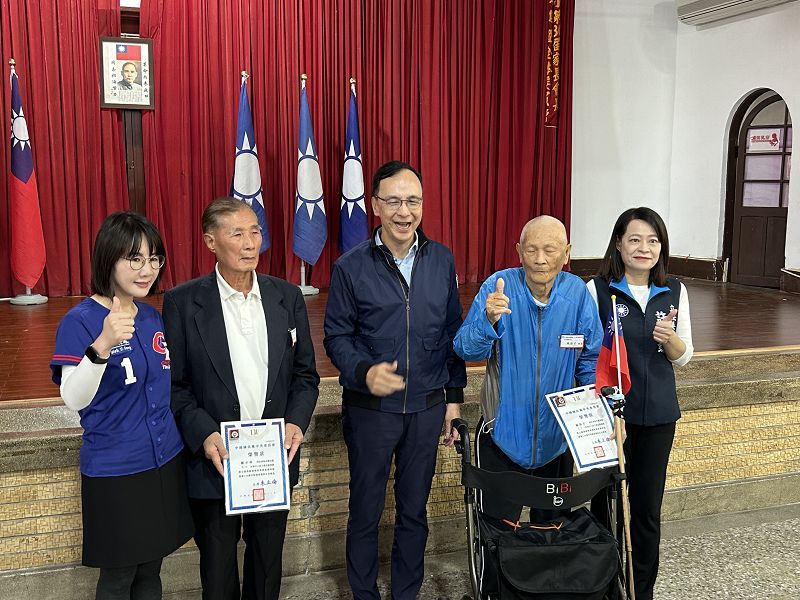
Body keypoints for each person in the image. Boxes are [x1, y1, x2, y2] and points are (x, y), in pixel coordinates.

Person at [163, 197, 319, 600]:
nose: (250, 243)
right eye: (237, 234)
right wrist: (204, 434)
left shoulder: (287, 296)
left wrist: (296, 422)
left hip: (271, 459)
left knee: (267, 569)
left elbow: (305, 375)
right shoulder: (183, 302)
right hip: (217, 460)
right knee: (217, 572)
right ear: (210, 241)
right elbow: (175, 386)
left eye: (255, 232)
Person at [324, 160, 467, 600]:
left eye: (413, 201)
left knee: (414, 511)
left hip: (426, 407)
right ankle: (363, 593)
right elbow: (336, 336)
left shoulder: (441, 259)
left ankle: (407, 592)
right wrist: (364, 372)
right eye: (394, 201)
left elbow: (452, 331)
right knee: (365, 512)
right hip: (371, 410)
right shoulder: (350, 266)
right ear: (375, 205)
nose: (405, 212)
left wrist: (454, 398)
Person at [454, 215, 602, 599]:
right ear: (518, 251)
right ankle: (494, 591)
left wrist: (592, 413)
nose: (540, 259)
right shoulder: (498, 287)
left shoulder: (577, 295)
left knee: (552, 534)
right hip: (502, 437)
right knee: (496, 534)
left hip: (556, 440)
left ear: (566, 254)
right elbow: (465, 348)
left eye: (550, 250)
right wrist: (487, 320)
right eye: (531, 249)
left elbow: (590, 358)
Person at [50, 212, 193, 600]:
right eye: (134, 259)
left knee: (151, 570)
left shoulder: (150, 316)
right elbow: (73, 398)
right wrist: (103, 345)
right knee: (118, 578)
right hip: (116, 470)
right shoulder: (80, 321)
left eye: (154, 259)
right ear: (108, 259)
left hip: (163, 461)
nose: (147, 270)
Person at [587, 207, 693, 600]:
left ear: (661, 247)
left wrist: (671, 340)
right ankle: (604, 588)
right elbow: (588, 354)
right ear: (619, 244)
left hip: (658, 417)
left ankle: (640, 590)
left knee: (647, 511)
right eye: (634, 239)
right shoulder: (598, 290)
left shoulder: (675, 290)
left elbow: (684, 356)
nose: (643, 248)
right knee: (606, 506)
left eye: (652, 241)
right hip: (610, 418)